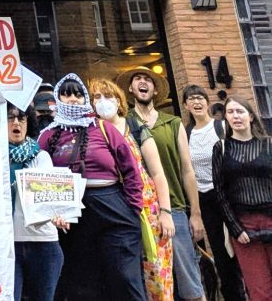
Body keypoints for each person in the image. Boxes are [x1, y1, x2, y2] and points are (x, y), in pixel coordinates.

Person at [39, 73, 145, 300]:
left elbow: (131, 171)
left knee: (125, 278)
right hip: (72, 214)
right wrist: (52, 212)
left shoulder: (105, 129)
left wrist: (132, 208)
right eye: (66, 95)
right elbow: (40, 178)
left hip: (113, 206)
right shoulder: (47, 136)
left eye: (78, 94)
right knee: (84, 283)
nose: (73, 99)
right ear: (58, 99)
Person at [117, 67, 207, 301]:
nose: (143, 82)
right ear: (130, 88)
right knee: (153, 285)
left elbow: (187, 170)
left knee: (190, 284)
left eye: (148, 80)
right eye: (138, 79)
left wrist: (195, 214)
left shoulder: (173, 123)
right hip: (140, 212)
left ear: (155, 90)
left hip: (175, 208)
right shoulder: (123, 125)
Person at [89, 78, 175, 300]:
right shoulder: (92, 132)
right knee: (126, 276)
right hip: (116, 210)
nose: (102, 102)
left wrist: (165, 212)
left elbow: (157, 173)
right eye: (97, 97)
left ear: (119, 101)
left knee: (156, 272)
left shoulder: (135, 127)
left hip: (149, 209)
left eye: (108, 96)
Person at [182, 84, 245, 301]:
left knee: (239, 247)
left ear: (207, 102)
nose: (196, 102)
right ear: (185, 105)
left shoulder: (221, 127)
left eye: (200, 98)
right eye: (191, 99)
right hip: (204, 198)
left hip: (228, 196)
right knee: (220, 252)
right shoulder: (186, 133)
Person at [212, 97, 272, 300]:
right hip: (243, 226)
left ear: (251, 116)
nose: (235, 116)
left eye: (240, 111)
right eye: (230, 112)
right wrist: (235, 228)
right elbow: (219, 192)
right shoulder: (220, 148)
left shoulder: (269, 144)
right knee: (258, 290)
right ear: (226, 118)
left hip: (271, 218)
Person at [7, 102, 61, 301]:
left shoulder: (41, 156)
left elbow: (46, 195)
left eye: (22, 118)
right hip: (7, 244)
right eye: (10, 118)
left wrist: (59, 213)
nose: (17, 123)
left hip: (43, 243)